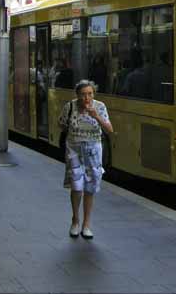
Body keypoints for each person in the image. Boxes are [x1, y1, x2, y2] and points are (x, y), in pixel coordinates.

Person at [58, 80, 113, 239]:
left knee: (90, 187)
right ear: (77, 95)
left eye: (90, 94)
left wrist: (96, 116)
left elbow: (109, 130)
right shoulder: (70, 106)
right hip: (74, 149)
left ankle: (86, 225)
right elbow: (61, 124)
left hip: (93, 151)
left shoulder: (100, 107)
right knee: (76, 186)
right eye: (83, 94)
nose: (87, 98)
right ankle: (75, 220)